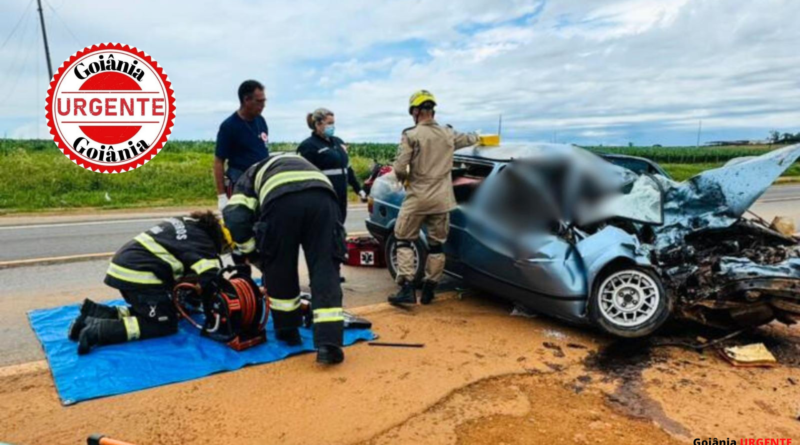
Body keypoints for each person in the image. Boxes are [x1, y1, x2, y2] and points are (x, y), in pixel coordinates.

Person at [223, 153, 346, 365]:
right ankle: (329, 344)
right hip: (323, 198)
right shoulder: (292, 162)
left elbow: (235, 219)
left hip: (281, 200)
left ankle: (288, 332)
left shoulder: (247, 177)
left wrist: (252, 252)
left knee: (280, 268)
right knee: (325, 269)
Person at [68, 211, 233, 354]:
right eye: (225, 249)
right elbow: (211, 279)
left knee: (159, 310)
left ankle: (93, 314)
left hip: (126, 267)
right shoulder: (203, 243)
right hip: (138, 274)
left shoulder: (190, 224)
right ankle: (96, 331)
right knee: (164, 323)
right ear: (222, 240)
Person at [388, 90, 479, 306]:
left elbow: (400, 167)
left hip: (418, 198)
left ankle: (407, 288)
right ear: (432, 110)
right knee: (437, 245)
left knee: (403, 239)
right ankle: (430, 289)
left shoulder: (411, 135)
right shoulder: (448, 133)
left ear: (416, 111)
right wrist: (480, 137)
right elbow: (471, 138)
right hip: (442, 200)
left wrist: (405, 178)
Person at [297, 108, 366, 224]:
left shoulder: (338, 142)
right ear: (318, 124)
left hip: (341, 197)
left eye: (333, 123)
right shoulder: (308, 146)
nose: (332, 126)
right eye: (329, 123)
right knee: (325, 231)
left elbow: (347, 169)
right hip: (323, 198)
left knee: (339, 228)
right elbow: (304, 178)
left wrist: (358, 189)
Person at [214, 80, 270, 212]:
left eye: (264, 101)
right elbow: (218, 162)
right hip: (239, 184)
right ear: (246, 100)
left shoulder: (261, 121)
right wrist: (221, 196)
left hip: (260, 181)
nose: (263, 105)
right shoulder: (229, 126)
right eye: (259, 101)